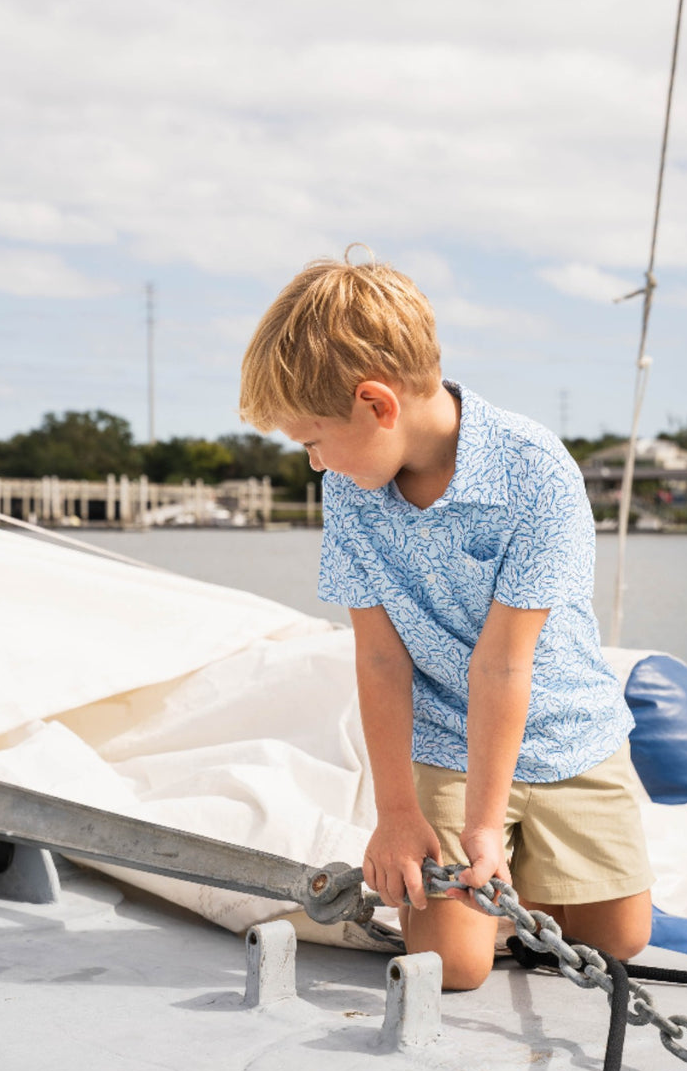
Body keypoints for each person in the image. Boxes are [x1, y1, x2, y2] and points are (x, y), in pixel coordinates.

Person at [238, 251, 653, 989]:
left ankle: (513, 865)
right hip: (446, 740)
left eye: (311, 441)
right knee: (453, 969)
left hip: (566, 733)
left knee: (617, 944)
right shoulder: (353, 490)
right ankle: (490, 892)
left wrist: (487, 829)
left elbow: (503, 664)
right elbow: (380, 659)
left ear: (376, 405)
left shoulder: (537, 472)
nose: (314, 465)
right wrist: (396, 812)